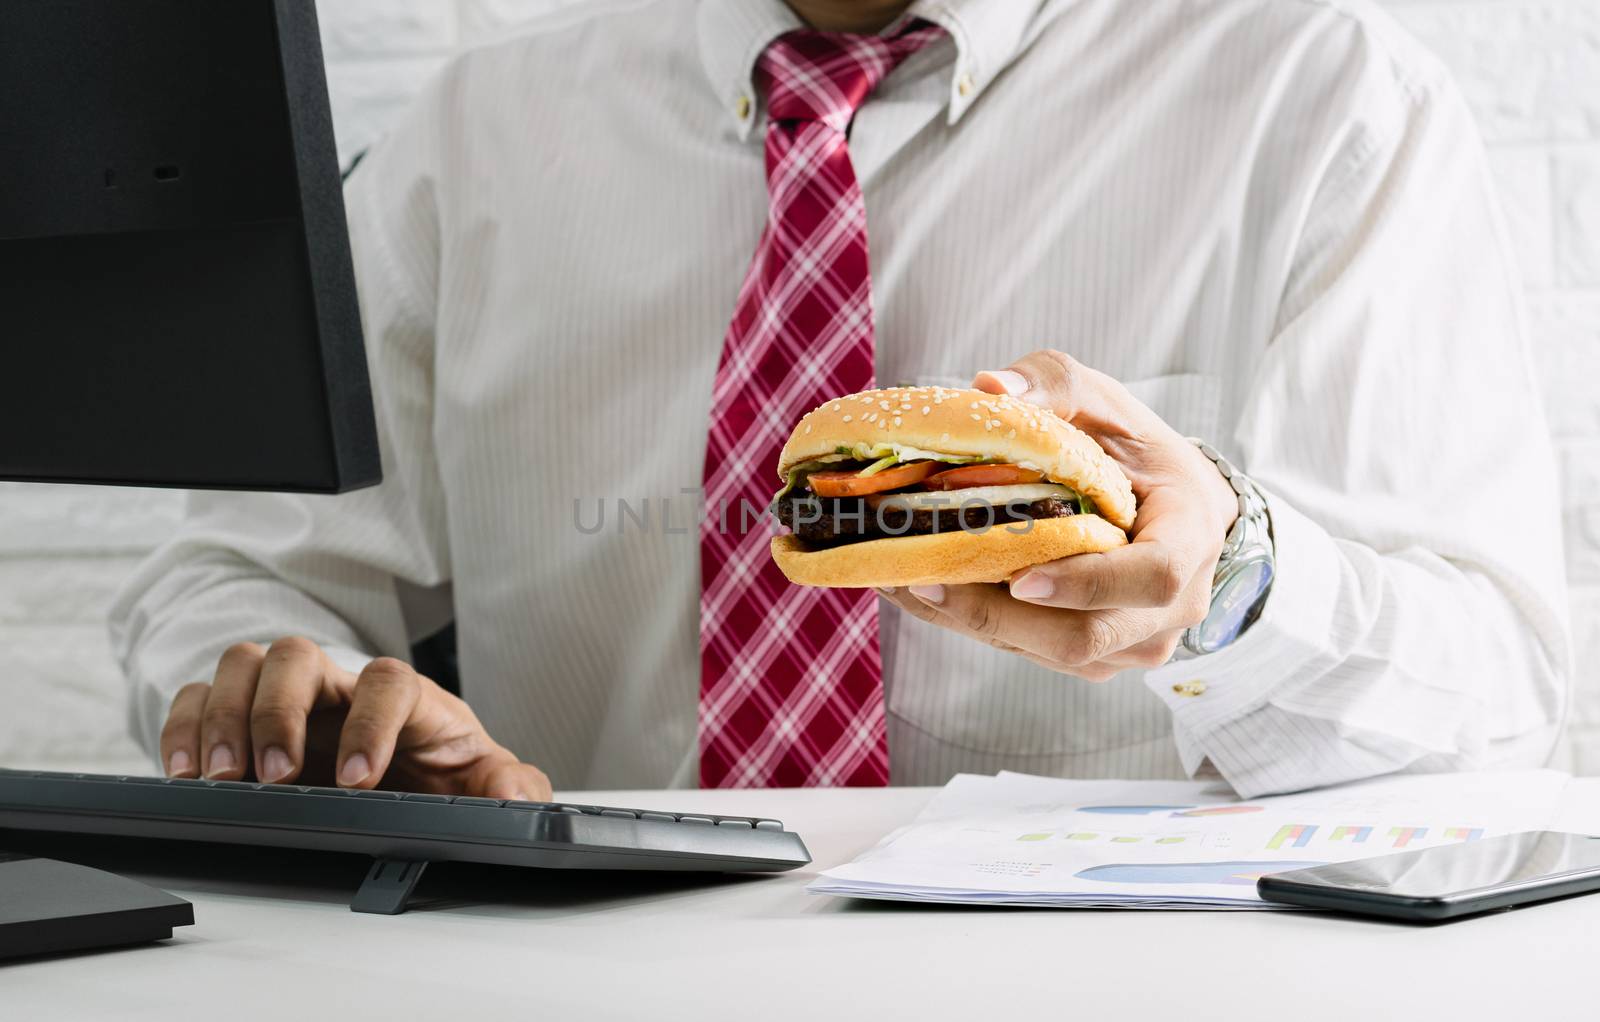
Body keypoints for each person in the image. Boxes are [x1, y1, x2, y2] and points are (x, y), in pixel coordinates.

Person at [111, 0, 1570, 801]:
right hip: (588, 982)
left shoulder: (1321, 99)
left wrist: (1233, 578)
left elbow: (1492, 699)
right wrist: (297, 713)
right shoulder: (472, 142)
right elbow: (237, 578)